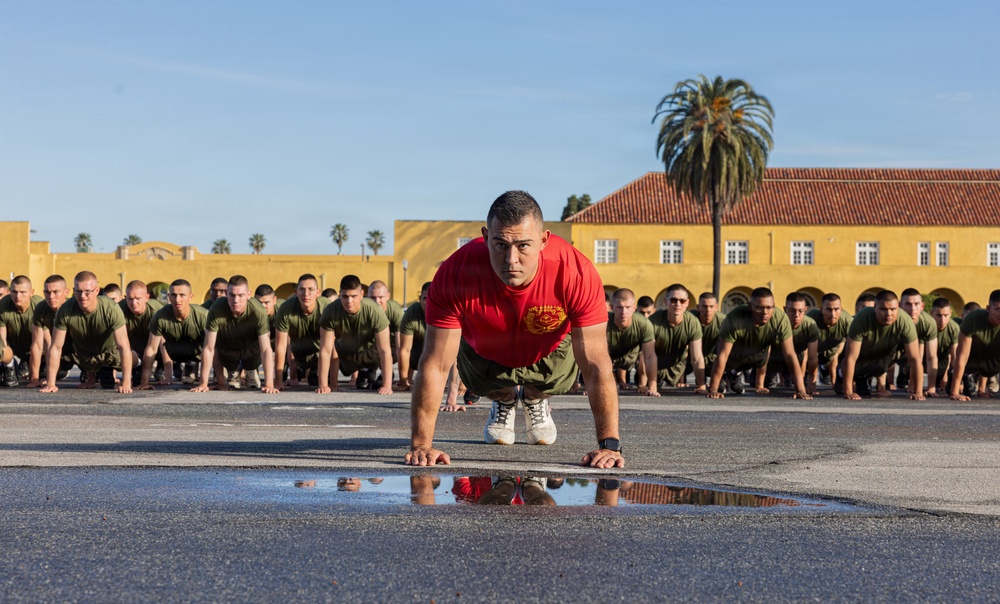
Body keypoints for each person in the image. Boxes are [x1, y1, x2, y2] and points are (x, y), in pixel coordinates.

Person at [404, 190, 622, 468]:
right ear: (485, 238)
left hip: (549, 352)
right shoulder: (455, 273)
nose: (511, 259)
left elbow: (595, 363)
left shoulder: (575, 272)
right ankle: (504, 399)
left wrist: (609, 445)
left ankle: (535, 397)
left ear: (544, 240)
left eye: (523, 246)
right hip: (484, 353)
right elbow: (435, 364)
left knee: (564, 371)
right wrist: (421, 445)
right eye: (500, 245)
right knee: (484, 381)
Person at [707, 287, 812, 399]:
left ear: (774, 306)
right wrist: (713, 390)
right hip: (734, 354)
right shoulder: (735, 318)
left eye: (769, 307)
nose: (765, 312)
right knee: (716, 374)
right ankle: (728, 374)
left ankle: (735, 374)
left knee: (759, 372)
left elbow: (790, 354)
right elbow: (723, 355)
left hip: (758, 356)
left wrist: (801, 390)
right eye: (759, 308)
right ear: (750, 306)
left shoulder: (781, 319)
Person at [40, 271, 132, 393]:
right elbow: (56, 347)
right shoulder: (65, 310)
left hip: (111, 351)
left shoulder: (111, 309)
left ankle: (137, 367)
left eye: (87, 291)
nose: (83, 296)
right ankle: (95, 372)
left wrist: (126, 383)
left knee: (132, 357)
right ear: (74, 291)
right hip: (85, 354)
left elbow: (123, 347)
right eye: (78, 291)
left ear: (97, 291)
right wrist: (51, 383)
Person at [191, 275, 277, 393]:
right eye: (232, 295)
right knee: (215, 345)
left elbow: (266, 349)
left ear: (248, 295)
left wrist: (269, 384)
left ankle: (251, 370)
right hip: (228, 348)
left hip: (251, 349)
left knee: (259, 348)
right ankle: (232, 372)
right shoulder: (216, 309)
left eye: (240, 295)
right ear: (226, 294)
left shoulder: (258, 311)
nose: (236, 300)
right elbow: (209, 348)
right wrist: (203, 383)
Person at [316, 274, 394, 395]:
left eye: (354, 296)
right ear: (339, 294)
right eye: (345, 296)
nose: (349, 301)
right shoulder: (330, 311)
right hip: (345, 355)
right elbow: (326, 350)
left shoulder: (374, 311)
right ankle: (362, 371)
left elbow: (384, 350)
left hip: (369, 353)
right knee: (332, 354)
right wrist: (325, 385)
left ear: (362, 294)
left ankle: (371, 371)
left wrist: (387, 386)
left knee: (387, 349)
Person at [839, 290, 923, 400]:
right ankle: (842, 374)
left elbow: (915, 359)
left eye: (893, 309)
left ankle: (864, 379)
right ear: (875, 308)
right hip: (861, 356)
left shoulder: (905, 321)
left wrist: (918, 392)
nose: (888, 314)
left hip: (883, 356)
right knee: (845, 376)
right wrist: (848, 392)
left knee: (905, 358)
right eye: (883, 309)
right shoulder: (862, 318)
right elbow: (850, 358)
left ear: (898, 308)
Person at [137, 279, 208, 389]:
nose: (177, 299)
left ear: (191, 297)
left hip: (198, 353)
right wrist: (144, 382)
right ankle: (180, 366)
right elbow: (151, 348)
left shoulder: (203, 316)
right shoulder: (160, 316)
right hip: (174, 353)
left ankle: (192, 365)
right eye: (174, 295)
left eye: (182, 295)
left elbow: (212, 348)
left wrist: (204, 384)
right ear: (169, 296)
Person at [274, 274, 330, 389]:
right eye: (302, 289)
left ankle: (316, 370)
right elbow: (281, 346)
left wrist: (329, 384)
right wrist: (278, 382)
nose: (306, 294)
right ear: (296, 292)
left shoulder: (327, 308)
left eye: (311, 289)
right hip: (297, 352)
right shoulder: (285, 309)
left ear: (318, 292)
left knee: (317, 379)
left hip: (320, 353)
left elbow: (331, 345)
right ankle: (296, 371)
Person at [647, 284, 704, 392]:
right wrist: (652, 387)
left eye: (682, 301)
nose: (678, 304)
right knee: (641, 370)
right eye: (673, 300)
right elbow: (648, 356)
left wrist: (701, 386)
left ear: (687, 303)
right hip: (654, 364)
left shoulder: (692, 322)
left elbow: (697, 358)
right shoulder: (653, 321)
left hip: (676, 366)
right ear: (666, 301)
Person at [948, 290, 1000, 401]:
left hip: (994, 361)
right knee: (952, 389)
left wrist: (982, 390)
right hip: (973, 359)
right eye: (998, 309)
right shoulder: (973, 319)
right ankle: (961, 377)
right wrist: (954, 392)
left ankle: (979, 387)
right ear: (988, 309)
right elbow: (962, 357)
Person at [606, 288, 659, 396]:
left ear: (634, 308)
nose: (623, 312)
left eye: (628, 307)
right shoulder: (603, 322)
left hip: (632, 357)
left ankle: (642, 383)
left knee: (644, 354)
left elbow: (650, 356)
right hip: (608, 356)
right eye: (619, 307)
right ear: (612, 307)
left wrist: (652, 387)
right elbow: (595, 354)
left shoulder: (644, 324)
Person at [764, 292, 820, 394]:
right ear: (785, 309)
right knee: (762, 384)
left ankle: (790, 377)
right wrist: (759, 383)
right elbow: (766, 350)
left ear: (805, 309)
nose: (796, 315)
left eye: (800, 311)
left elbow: (811, 357)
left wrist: (811, 385)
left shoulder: (810, 325)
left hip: (796, 360)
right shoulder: (776, 322)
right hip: (774, 358)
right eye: (792, 311)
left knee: (796, 381)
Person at [27, 275, 74, 388]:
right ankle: (57, 371)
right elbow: (37, 345)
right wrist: (34, 379)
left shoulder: (75, 307)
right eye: (47, 292)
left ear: (66, 292)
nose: (51, 296)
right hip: (57, 349)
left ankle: (91, 372)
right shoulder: (41, 308)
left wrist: (91, 377)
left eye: (56, 292)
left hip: (78, 349)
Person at [0, 275, 42, 387]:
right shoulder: (3, 306)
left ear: (31, 292)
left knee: (56, 372)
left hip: (39, 349)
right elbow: (2, 342)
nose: (18, 296)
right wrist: (5, 362)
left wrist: (34, 379)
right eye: (14, 292)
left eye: (23, 292)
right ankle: (10, 366)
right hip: (14, 345)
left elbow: (39, 344)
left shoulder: (40, 306)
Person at [894, 289, 938, 395]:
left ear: (922, 306)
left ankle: (906, 373)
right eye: (908, 304)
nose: (913, 308)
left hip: (913, 354)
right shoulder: (891, 319)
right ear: (900, 306)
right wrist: (881, 387)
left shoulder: (928, 323)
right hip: (893, 351)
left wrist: (931, 387)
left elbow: (931, 357)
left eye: (916, 304)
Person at [119, 281, 163, 383]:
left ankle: (163, 365)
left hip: (156, 348)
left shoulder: (157, 311)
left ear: (147, 297)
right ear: (125, 298)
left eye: (138, 298)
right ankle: (137, 365)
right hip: (134, 350)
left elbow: (161, 344)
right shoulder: (119, 309)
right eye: (130, 299)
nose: (134, 303)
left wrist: (168, 376)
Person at [806, 293, 852, 388]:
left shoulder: (847, 321)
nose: (833, 314)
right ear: (821, 309)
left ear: (841, 309)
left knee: (851, 350)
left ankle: (832, 375)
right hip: (811, 350)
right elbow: (806, 352)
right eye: (829, 309)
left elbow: (852, 354)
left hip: (834, 348)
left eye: (836, 309)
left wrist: (849, 386)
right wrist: (811, 384)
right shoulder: (811, 319)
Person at [397, 281, 431, 391]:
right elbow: (405, 350)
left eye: (432, 298)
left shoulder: (446, 312)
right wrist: (403, 380)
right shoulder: (412, 313)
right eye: (425, 298)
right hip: (420, 353)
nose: (428, 302)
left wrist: (461, 385)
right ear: (420, 299)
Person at [367, 279, 404, 365]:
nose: (377, 301)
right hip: (370, 343)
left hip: (391, 343)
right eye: (373, 297)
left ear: (388, 296)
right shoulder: (364, 309)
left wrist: (402, 374)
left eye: (380, 297)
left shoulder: (396, 311)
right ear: (367, 296)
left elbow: (399, 345)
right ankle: (367, 368)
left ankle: (386, 369)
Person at [929, 297, 959, 393]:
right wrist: (913, 384)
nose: (942, 320)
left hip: (942, 360)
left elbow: (954, 358)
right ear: (931, 313)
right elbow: (919, 356)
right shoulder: (926, 326)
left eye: (946, 315)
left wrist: (957, 383)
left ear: (950, 313)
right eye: (938, 315)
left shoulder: (954, 328)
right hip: (925, 358)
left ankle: (939, 380)